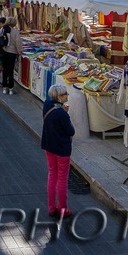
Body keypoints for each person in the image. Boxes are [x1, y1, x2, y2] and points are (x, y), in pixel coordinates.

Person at [41, 85, 76, 219]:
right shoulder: (61, 114)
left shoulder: (47, 105)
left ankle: (51, 207)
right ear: (59, 97)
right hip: (62, 149)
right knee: (62, 178)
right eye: (65, 94)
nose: (67, 96)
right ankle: (63, 208)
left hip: (49, 146)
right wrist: (65, 113)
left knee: (52, 175)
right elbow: (71, 131)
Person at [0, 18, 20, 93]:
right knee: (10, 70)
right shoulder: (15, 31)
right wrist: (19, 51)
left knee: (5, 69)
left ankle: (4, 88)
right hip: (12, 53)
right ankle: (11, 88)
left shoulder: (2, 29)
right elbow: (18, 43)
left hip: (4, 52)